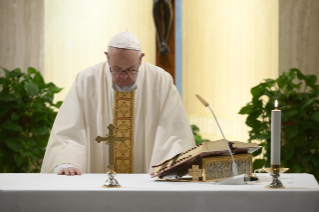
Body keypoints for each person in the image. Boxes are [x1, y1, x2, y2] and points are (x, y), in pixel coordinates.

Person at [40, 31, 194, 176]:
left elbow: (174, 133)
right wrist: (68, 162)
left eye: (131, 69)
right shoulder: (87, 80)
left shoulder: (161, 81)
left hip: (146, 180)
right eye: (117, 69)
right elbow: (69, 131)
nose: (124, 76)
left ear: (141, 59)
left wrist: (169, 164)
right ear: (108, 58)